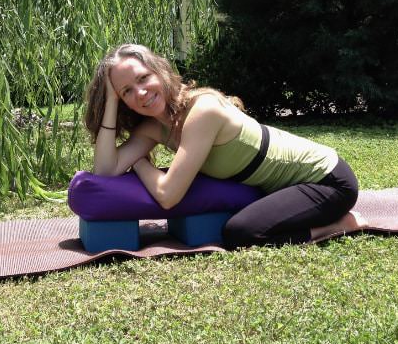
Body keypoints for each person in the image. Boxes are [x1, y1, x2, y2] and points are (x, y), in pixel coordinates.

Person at [84, 43, 366, 248]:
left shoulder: (203, 110)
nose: (141, 93)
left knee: (240, 233)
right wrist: (110, 101)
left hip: (326, 181)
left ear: (159, 71)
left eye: (143, 78)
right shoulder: (153, 128)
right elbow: (106, 170)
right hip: (285, 188)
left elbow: (168, 195)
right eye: (127, 92)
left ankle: (341, 224)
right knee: (240, 230)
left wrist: (140, 161)